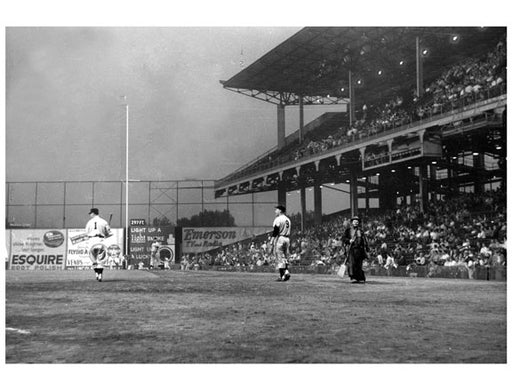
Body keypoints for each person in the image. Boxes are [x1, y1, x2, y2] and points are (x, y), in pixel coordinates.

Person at [85, 208, 112, 282]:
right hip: (100, 240)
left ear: (93, 213)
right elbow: (109, 233)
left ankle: (96, 273)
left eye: (91, 213)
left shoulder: (89, 222)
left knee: (93, 259)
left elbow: (86, 233)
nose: (90, 214)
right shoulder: (104, 221)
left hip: (91, 240)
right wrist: (106, 234)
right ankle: (99, 275)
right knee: (100, 259)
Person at [343, 216, 369, 283]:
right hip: (352, 250)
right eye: (354, 222)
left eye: (357, 222)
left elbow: (364, 240)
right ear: (352, 223)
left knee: (359, 264)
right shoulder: (348, 230)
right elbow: (343, 239)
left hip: (360, 250)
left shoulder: (360, 231)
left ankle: (360, 278)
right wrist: (349, 240)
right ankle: (353, 277)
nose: (356, 223)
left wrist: (367, 248)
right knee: (352, 264)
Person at [270, 205, 291, 281]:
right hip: (287, 238)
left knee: (279, 257)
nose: (275, 211)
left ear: (280, 211)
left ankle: (282, 275)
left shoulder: (278, 219)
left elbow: (275, 231)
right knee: (285, 257)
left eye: (277, 210)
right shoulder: (288, 219)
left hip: (281, 238)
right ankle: (286, 271)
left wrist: (272, 240)